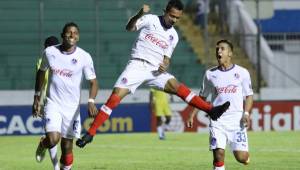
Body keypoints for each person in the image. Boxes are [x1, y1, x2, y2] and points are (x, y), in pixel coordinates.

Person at [76, 0, 230, 148]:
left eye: (178, 17)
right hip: (137, 65)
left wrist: (165, 65)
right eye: (172, 16)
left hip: (155, 70)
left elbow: (167, 59)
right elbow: (129, 27)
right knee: (115, 96)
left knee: (177, 86)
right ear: (165, 12)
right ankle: (90, 133)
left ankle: (211, 110)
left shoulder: (174, 36)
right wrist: (138, 14)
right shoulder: (150, 20)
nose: (174, 20)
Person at [32, 22, 99, 170]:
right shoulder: (50, 52)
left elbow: (94, 82)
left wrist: (91, 101)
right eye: (69, 32)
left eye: (75, 33)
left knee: (67, 148)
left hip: (72, 108)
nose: (72, 35)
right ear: (62, 35)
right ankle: (43, 144)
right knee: (53, 139)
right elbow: (41, 72)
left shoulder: (84, 57)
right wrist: (37, 97)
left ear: (78, 37)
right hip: (53, 103)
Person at [187, 39, 253, 170]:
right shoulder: (210, 74)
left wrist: (246, 113)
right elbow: (201, 97)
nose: (218, 51)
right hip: (218, 120)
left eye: (222, 48)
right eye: (217, 49)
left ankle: (244, 157)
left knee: (242, 157)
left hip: (236, 120)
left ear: (230, 53)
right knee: (218, 154)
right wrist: (192, 114)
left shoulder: (242, 73)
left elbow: (249, 95)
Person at [35, 36, 60, 170]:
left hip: (64, 102)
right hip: (48, 101)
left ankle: (43, 144)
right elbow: (41, 81)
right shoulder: (41, 61)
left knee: (62, 136)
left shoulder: (64, 60)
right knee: (53, 136)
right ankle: (56, 167)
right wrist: (38, 101)